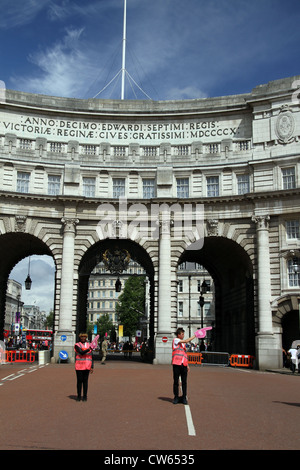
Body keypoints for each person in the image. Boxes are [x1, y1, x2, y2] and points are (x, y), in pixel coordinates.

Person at [172, 327, 196, 405]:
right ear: (178, 335)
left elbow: (184, 355)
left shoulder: (183, 344)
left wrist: (188, 365)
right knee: (176, 381)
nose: (183, 335)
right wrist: (195, 336)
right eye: (182, 334)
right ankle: (176, 397)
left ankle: (184, 397)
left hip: (183, 364)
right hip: (176, 363)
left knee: (184, 381)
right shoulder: (176, 340)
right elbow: (186, 340)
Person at [74, 333, 94, 401]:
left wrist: (92, 366)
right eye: (82, 337)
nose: (83, 338)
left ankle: (85, 396)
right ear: (80, 338)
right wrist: (89, 349)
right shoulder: (77, 345)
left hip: (87, 365)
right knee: (79, 381)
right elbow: (81, 352)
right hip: (79, 365)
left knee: (85, 381)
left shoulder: (89, 345)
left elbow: (91, 356)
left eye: (84, 337)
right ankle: (79, 396)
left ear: (86, 338)